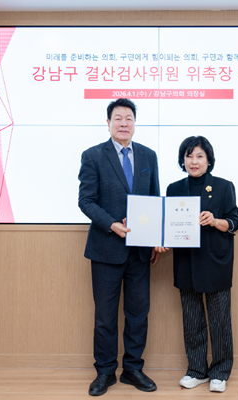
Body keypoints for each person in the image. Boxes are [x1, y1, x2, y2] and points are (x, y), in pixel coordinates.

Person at [78, 98, 161, 396]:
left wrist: (156, 238)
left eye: (129, 118)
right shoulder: (93, 156)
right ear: (108, 123)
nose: (123, 123)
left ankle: (133, 369)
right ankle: (104, 372)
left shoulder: (149, 156)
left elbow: (154, 201)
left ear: (135, 123)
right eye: (118, 118)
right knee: (105, 317)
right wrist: (112, 224)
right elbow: (85, 201)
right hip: (105, 249)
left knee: (138, 314)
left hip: (140, 251)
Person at [164, 136, 238, 393]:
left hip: (215, 262)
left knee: (219, 322)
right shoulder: (174, 188)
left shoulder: (223, 186)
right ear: (182, 160)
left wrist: (215, 221)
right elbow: (168, 224)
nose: (193, 161)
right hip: (186, 262)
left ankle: (220, 371)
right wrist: (161, 240)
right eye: (189, 156)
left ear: (209, 160)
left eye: (199, 156)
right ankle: (197, 370)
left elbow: (234, 222)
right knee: (192, 320)